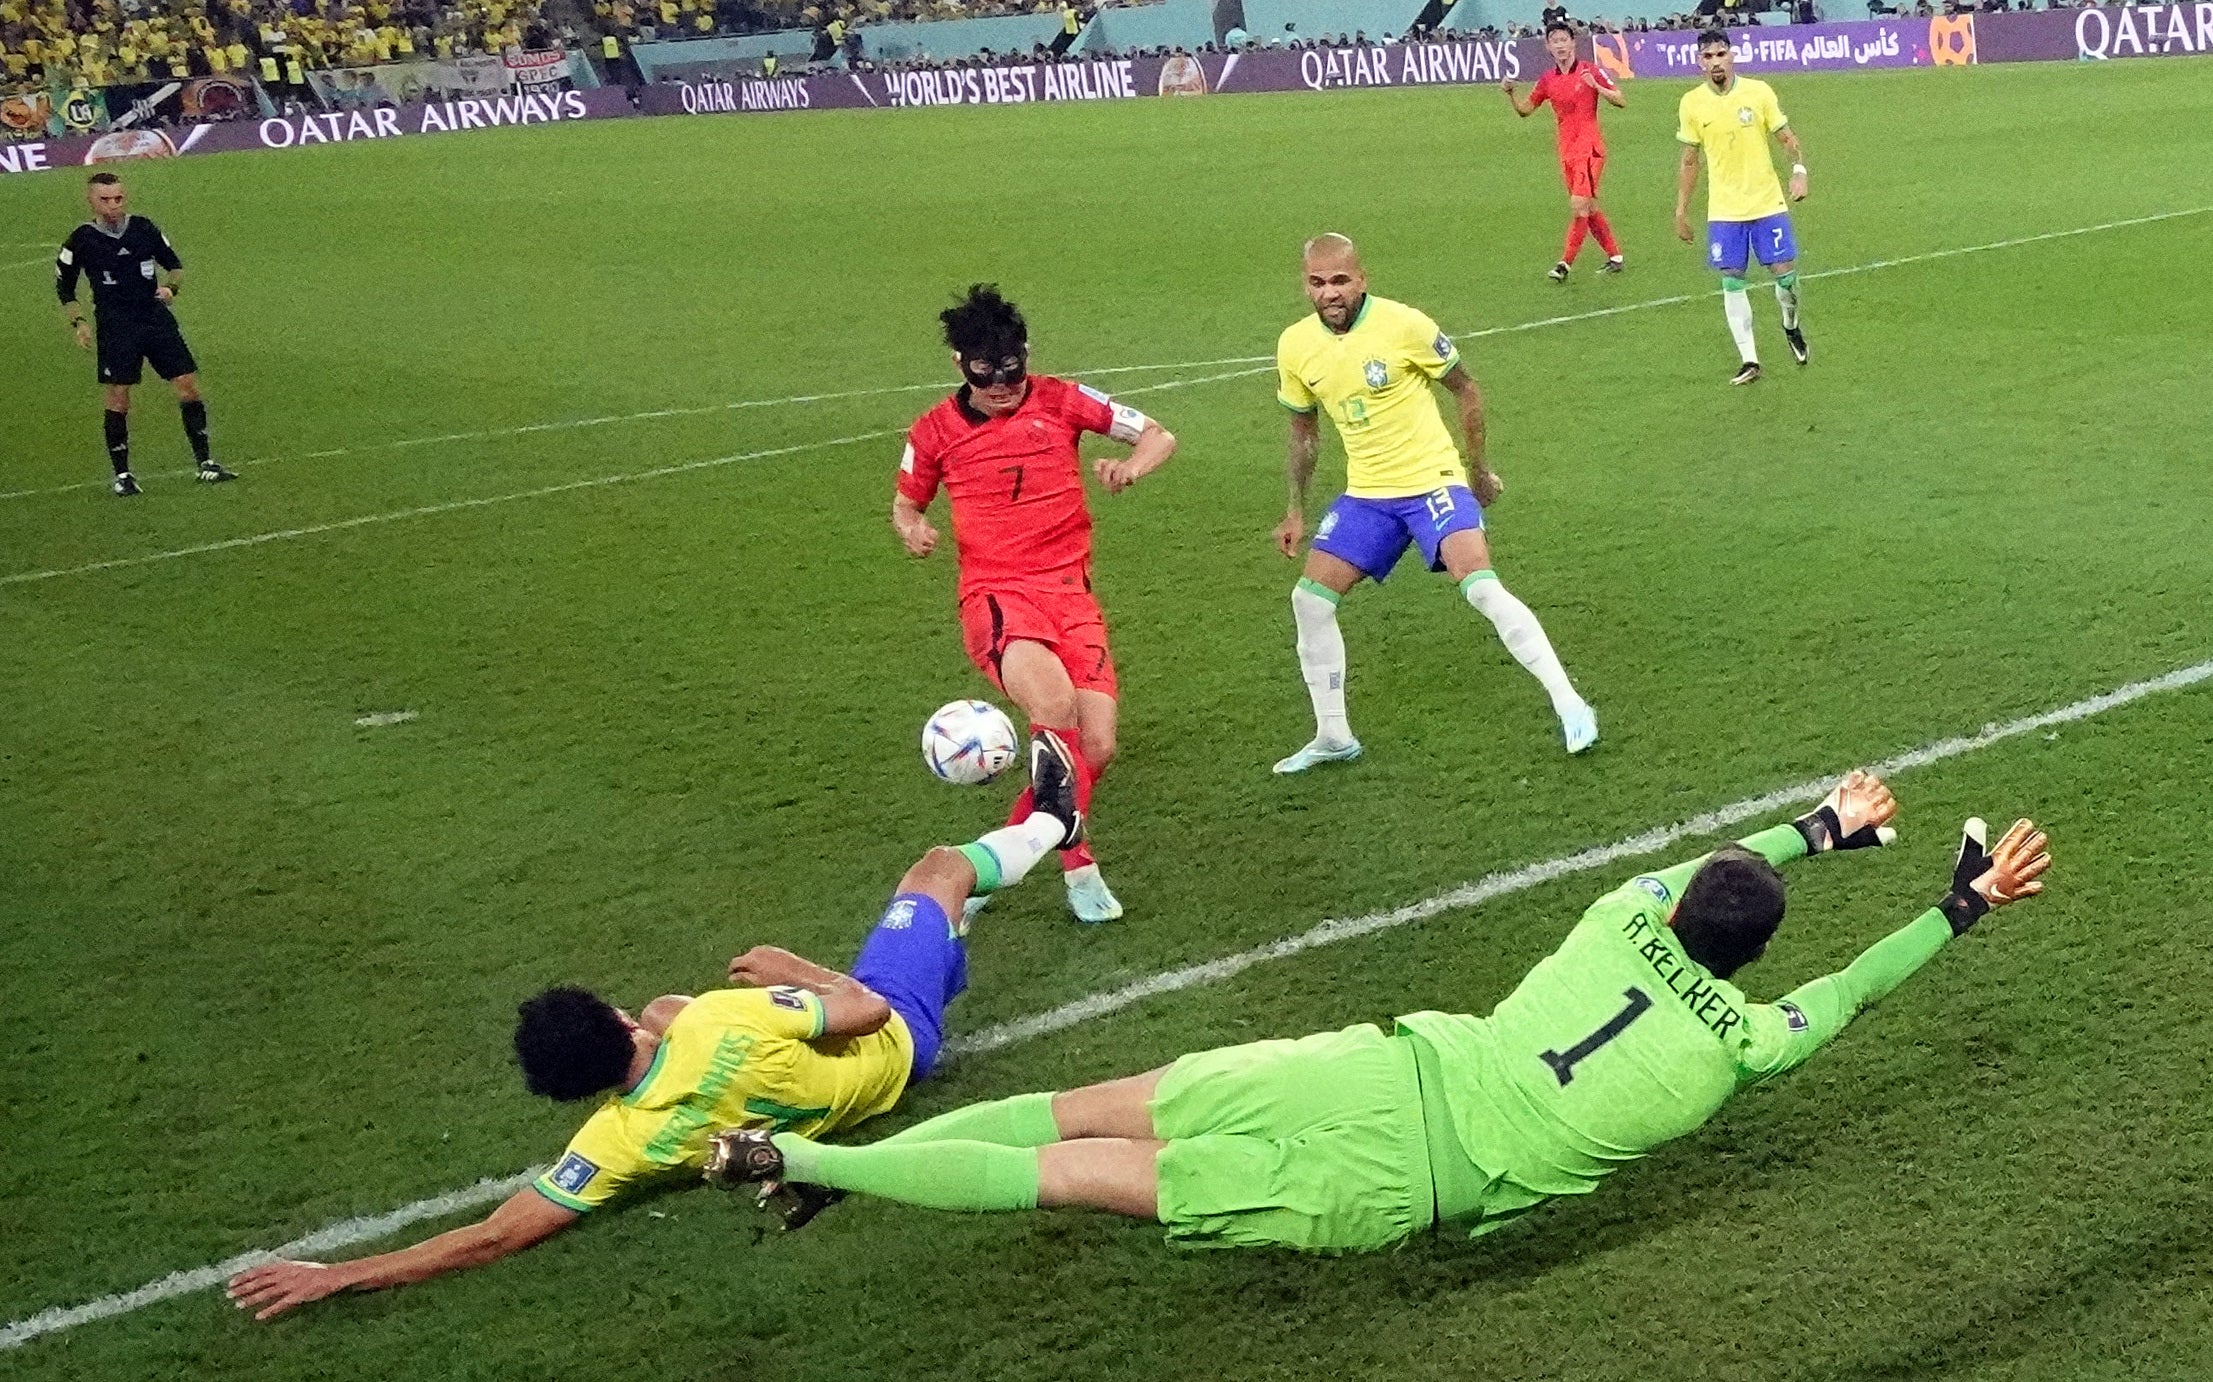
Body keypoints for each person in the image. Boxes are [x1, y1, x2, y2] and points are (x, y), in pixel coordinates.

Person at [707, 775, 2052, 1254]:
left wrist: (1820, 825)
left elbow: (1723, 857)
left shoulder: (1616, 914)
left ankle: (838, 1164)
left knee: (1076, 1113)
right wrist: (1962, 905)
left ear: (1681, 897)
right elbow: (1847, 990)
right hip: (1401, 1178)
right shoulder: (1741, 1045)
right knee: (1082, 1179)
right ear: (1753, 954)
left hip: (1370, 1069)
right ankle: (823, 1163)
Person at [223, 744, 1087, 1319]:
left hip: (811, 1104)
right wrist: (792, 969)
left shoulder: (616, 1143)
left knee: (704, 999)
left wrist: (332, 1274)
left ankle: (953, 927)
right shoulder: (715, 1021)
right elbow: (867, 1011)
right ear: (611, 1017)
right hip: (894, 1049)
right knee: (932, 872)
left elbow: (494, 1235)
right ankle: (1054, 822)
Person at [892, 285, 1178, 924]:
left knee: (1096, 748)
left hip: (1071, 596)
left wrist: (1132, 467)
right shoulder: (933, 431)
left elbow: (1158, 435)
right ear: (960, 365)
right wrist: (912, 528)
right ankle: (1080, 868)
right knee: (1054, 706)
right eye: (984, 372)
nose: (1001, 385)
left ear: (1026, 355)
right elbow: (907, 503)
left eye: (1012, 369)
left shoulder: (1063, 400)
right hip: (998, 595)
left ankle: (978, 872)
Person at [1269, 234, 1595, 772]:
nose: (1330, 293)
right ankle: (1333, 736)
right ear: (1304, 284)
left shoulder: (1405, 325)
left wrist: (1477, 469)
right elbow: (1303, 432)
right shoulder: (1295, 345)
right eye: (1317, 283)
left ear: (1363, 279)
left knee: (1482, 587)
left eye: (1340, 281)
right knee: (1310, 601)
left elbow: (1466, 389)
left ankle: (1570, 703)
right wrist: (1296, 509)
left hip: (1432, 482)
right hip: (1367, 495)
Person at [54, 172, 233, 497]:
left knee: (188, 386)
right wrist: (78, 322)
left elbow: (175, 265)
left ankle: (206, 463)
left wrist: (171, 288)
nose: (113, 205)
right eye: (105, 199)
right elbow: (64, 285)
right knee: (119, 395)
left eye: (118, 198)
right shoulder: (81, 239)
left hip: (154, 318)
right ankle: (123, 475)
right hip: (115, 324)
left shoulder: (144, 228)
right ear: (90, 200)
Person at [1673, 27, 1809, 385]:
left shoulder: (1758, 92)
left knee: (1786, 279)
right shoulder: (1692, 103)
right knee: (1732, 279)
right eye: (1708, 56)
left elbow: (1786, 137)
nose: (1715, 62)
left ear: (1732, 55)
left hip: (1767, 203)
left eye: (1721, 54)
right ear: (1699, 62)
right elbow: (1690, 160)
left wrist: (1799, 171)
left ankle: (1790, 326)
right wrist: (1681, 210)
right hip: (1724, 211)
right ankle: (1749, 360)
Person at [1503, 20, 1627, 281]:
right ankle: (1615, 257)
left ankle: (1564, 264)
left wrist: (1597, 87)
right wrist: (1511, 95)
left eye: (1564, 39)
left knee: (1579, 205)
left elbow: (1620, 99)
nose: (1560, 45)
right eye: (1554, 41)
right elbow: (1526, 110)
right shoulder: (1548, 80)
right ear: (1548, 47)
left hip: (1590, 148)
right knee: (1589, 207)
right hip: (1567, 151)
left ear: (1573, 42)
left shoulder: (1589, 70)